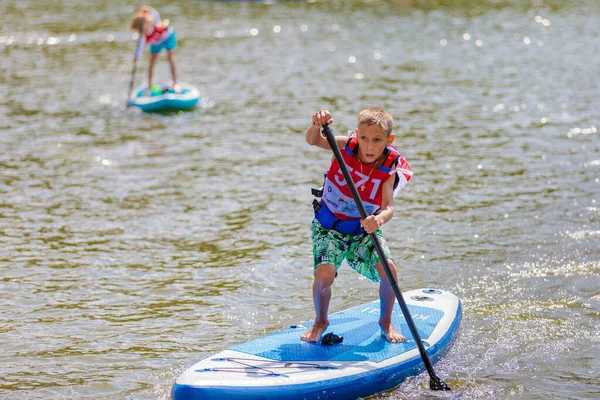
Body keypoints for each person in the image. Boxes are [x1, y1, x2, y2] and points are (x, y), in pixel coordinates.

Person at [302, 108, 413, 343]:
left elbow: (388, 207)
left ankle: (386, 321)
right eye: (364, 138)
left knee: (389, 271)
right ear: (356, 134)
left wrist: (379, 219)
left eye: (377, 140)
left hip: (364, 230)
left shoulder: (389, 167)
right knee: (324, 275)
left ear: (389, 140)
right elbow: (314, 141)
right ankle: (321, 320)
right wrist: (316, 125)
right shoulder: (345, 146)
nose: (369, 147)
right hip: (329, 228)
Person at [130, 5, 179, 94]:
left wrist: (149, 9)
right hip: (156, 43)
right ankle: (149, 86)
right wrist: (136, 57)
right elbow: (140, 47)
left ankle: (175, 83)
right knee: (151, 63)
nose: (139, 32)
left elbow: (155, 14)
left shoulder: (155, 23)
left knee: (170, 59)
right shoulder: (142, 35)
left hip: (167, 38)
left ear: (145, 24)